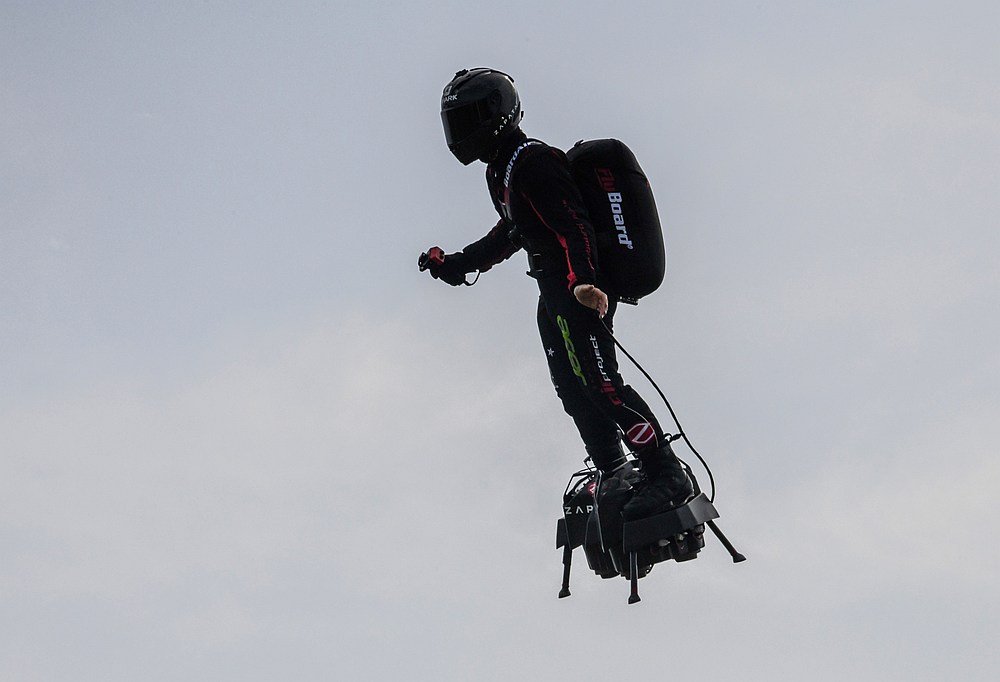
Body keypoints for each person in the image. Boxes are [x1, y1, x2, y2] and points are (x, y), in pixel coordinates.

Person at [419, 68, 692, 521]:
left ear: (496, 116)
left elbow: (574, 224)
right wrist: (460, 263)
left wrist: (584, 282)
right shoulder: (502, 170)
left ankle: (665, 473)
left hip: (577, 292)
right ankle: (612, 470)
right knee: (572, 387)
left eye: (466, 120)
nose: (459, 134)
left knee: (604, 387)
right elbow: (516, 230)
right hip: (554, 292)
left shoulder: (533, 162)